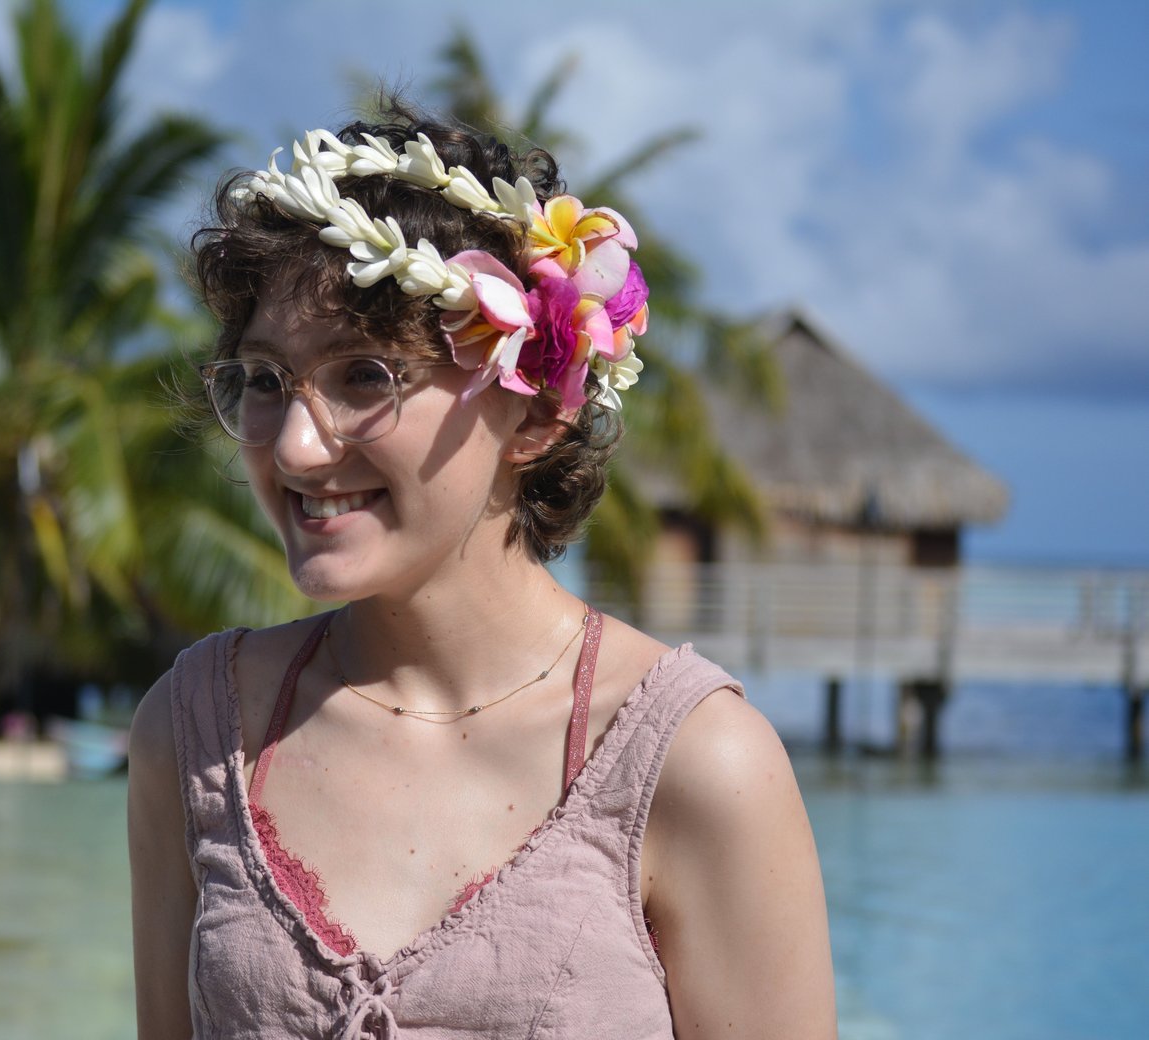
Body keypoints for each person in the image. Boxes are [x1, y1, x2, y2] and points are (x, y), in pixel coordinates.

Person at [128, 105, 836, 1039]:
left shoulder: (695, 765)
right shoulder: (197, 737)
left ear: (536, 412)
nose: (297, 448)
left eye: (365, 376)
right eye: (264, 379)